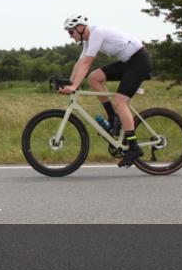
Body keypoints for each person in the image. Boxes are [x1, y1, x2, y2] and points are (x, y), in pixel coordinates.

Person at [59, 15, 152, 167]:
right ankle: (112, 117)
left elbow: (88, 62)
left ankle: (134, 147)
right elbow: (80, 62)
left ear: (80, 28)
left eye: (70, 32)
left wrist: (75, 86)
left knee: (120, 102)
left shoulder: (97, 33)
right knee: (94, 78)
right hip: (128, 62)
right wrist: (69, 82)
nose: (70, 36)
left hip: (139, 61)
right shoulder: (88, 40)